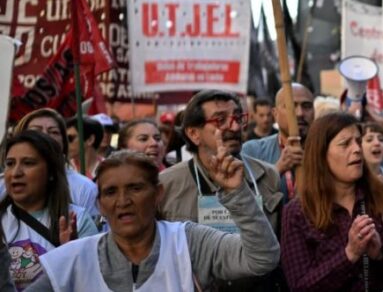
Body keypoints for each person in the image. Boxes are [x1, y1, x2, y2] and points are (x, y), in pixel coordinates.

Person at [27, 149, 281, 291]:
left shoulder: (188, 242)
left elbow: (262, 258)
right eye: (111, 192)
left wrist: (238, 194)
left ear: (157, 194)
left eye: (135, 188)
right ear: (99, 204)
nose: (123, 201)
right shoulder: (73, 260)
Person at [280, 113, 383, 291]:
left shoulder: (382, 193)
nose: (357, 149)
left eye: (358, 141)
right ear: (321, 154)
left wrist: (381, 253)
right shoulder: (297, 212)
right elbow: (300, 287)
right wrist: (349, 254)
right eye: (345, 144)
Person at [160, 90, 283, 235]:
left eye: (238, 118)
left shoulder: (267, 176)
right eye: (220, 120)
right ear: (194, 134)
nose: (236, 127)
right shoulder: (167, 185)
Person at [2, 131, 98, 290]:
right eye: (10, 163)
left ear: (51, 172)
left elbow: (93, 284)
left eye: (28, 163)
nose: (16, 173)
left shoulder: (77, 220)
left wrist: (73, 257)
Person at [5, 110, 99, 223]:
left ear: (64, 142)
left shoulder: (86, 189)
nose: (45, 135)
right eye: (36, 130)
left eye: (53, 132)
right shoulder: (2, 185)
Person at [242, 83, 314, 202]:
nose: (300, 113)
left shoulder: (328, 151)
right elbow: (243, 202)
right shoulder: (252, 152)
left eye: (307, 106)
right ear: (275, 114)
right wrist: (278, 169)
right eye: (291, 106)